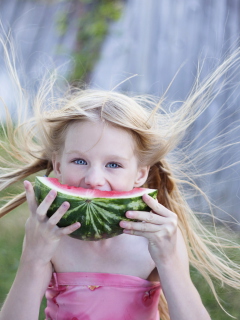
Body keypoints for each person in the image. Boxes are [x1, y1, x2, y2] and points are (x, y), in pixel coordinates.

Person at [0, 41, 240, 320]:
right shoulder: (52, 239)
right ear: (58, 165)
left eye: (113, 164)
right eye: (80, 161)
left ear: (140, 174)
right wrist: (34, 255)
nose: (94, 179)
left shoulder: (152, 243)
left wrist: (169, 259)